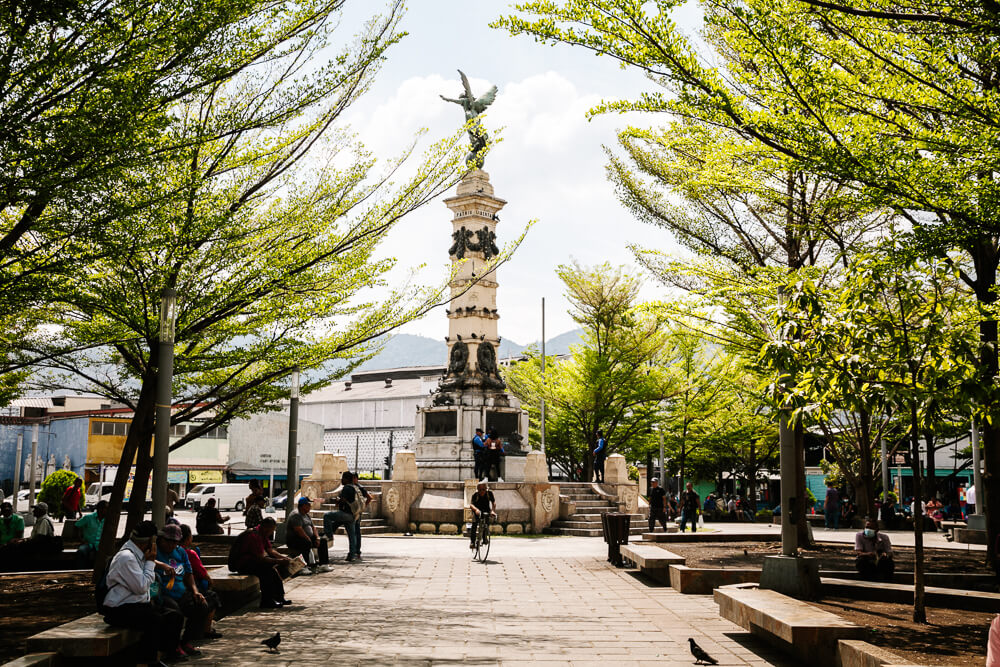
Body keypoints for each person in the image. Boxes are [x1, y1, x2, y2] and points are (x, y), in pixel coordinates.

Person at [102, 520, 186, 665]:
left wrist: (153, 562)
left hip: (136, 604)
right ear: (148, 541)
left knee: (174, 616)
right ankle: (147, 661)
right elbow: (141, 586)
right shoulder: (127, 558)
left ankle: (166, 654)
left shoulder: (137, 553)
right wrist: (151, 562)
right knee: (154, 620)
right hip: (119, 608)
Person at [154, 524, 215, 651]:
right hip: (163, 594)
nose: (171, 545)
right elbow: (145, 559)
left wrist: (195, 591)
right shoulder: (154, 550)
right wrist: (162, 565)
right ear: (161, 539)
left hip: (180, 592)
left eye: (174, 542)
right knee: (176, 614)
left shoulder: (180, 552)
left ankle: (187, 641)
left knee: (201, 605)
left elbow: (188, 574)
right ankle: (173, 646)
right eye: (168, 541)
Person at [229, 517, 291, 609]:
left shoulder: (262, 534)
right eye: (271, 530)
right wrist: (279, 561)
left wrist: (285, 558)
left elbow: (270, 551)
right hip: (243, 564)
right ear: (266, 528)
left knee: (274, 569)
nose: (272, 533)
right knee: (267, 571)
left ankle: (279, 596)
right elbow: (261, 558)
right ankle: (266, 601)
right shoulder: (253, 536)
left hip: (253, 561)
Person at [178, 524, 222, 639]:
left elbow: (189, 573)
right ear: (188, 538)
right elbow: (201, 572)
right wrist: (209, 582)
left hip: (188, 589)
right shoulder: (187, 553)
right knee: (211, 597)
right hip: (183, 591)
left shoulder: (180, 553)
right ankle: (205, 630)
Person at [323, 471, 360, 561]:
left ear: (346, 479)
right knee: (352, 536)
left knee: (327, 515)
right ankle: (352, 555)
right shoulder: (355, 487)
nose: (341, 480)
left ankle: (329, 535)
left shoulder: (347, 488)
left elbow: (343, 500)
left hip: (346, 514)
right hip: (354, 515)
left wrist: (338, 501)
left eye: (343, 478)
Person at [286, 496, 329, 572]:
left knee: (323, 541)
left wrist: (317, 538)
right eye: (308, 505)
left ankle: (324, 565)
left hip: (306, 537)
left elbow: (313, 527)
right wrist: (308, 538)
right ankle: (303, 567)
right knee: (306, 543)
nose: (310, 507)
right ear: (303, 506)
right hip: (295, 539)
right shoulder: (296, 515)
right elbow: (298, 530)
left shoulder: (306, 515)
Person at [75, 500, 107, 567]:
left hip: (101, 545)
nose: (106, 510)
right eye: (105, 508)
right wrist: (81, 539)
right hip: (89, 544)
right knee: (81, 551)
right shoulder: (88, 517)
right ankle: (80, 571)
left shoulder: (108, 520)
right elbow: (77, 525)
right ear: (99, 509)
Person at [468, 481, 496, 549]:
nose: (482, 491)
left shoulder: (489, 493)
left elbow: (493, 503)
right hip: (477, 511)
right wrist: (476, 510)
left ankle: (484, 537)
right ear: (477, 489)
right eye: (480, 490)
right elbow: (471, 505)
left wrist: (492, 511)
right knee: (474, 525)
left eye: (483, 489)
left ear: (486, 489)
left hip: (486, 510)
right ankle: (472, 541)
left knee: (486, 524)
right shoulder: (475, 495)